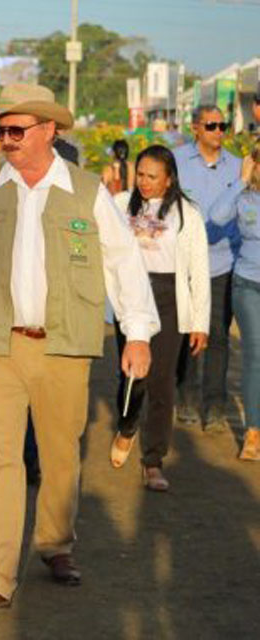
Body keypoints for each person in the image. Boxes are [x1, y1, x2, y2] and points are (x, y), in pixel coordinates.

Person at [0, 83, 159, 616]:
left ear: (49, 131)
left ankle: (56, 543)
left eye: (17, 130)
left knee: (61, 453)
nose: (6, 140)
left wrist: (137, 334)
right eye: (1, 130)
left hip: (63, 345)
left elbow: (124, 262)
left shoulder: (86, 191)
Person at [109, 145, 210, 490]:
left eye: (153, 176)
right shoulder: (121, 205)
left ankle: (153, 460)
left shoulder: (188, 214)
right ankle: (127, 425)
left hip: (170, 298)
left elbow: (199, 269)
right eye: (140, 174)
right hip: (132, 297)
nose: (144, 182)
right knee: (134, 375)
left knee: (163, 381)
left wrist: (200, 322)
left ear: (169, 180)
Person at [174, 105, 242, 433]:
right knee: (188, 331)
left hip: (222, 263)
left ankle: (215, 405)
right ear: (196, 128)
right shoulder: (176, 161)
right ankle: (185, 396)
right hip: (183, 263)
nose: (219, 131)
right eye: (212, 126)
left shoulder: (238, 167)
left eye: (222, 125)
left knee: (218, 337)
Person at [207, 144, 260, 460]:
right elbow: (216, 215)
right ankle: (253, 431)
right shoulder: (243, 199)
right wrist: (240, 180)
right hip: (248, 286)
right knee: (255, 355)